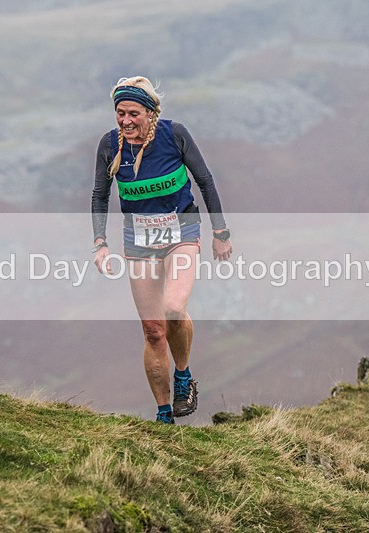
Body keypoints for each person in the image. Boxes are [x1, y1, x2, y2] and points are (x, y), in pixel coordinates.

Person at [91, 76, 232, 424]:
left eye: (133, 114)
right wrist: (100, 243)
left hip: (182, 231)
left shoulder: (174, 135)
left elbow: (205, 180)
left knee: (173, 308)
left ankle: (183, 376)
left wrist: (220, 232)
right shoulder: (109, 145)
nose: (125, 121)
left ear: (150, 113)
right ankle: (164, 413)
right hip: (138, 241)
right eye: (120, 113)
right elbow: (100, 195)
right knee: (154, 330)